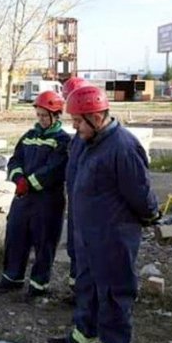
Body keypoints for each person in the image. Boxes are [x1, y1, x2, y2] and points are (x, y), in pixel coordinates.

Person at [47, 85, 160, 343]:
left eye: (78, 120)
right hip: (87, 233)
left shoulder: (122, 147)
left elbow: (140, 192)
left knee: (113, 293)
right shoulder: (85, 141)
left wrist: (150, 214)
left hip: (113, 236)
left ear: (97, 118)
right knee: (86, 286)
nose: (73, 125)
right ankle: (83, 339)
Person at [0, 90, 71, 298]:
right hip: (23, 197)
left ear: (56, 115)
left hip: (48, 200)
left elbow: (54, 169)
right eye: (39, 115)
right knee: (15, 235)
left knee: (44, 241)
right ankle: (12, 278)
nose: (41, 119)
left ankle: (38, 285)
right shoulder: (29, 136)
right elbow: (15, 160)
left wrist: (30, 183)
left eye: (45, 116)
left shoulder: (62, 140)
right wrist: (18, 178)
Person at [63, 77, 92, 290]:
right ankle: (76, 288)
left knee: (85, 249)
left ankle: (84, 292)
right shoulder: (78, 137)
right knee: (74, 246)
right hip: (75, 201)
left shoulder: (93, 138)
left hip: (88, 207)